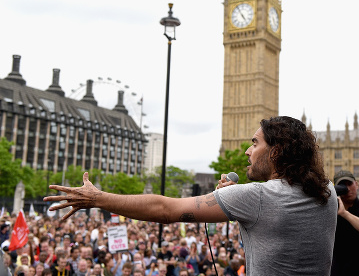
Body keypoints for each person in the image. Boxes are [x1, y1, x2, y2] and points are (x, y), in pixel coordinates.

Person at [44, 116, 338, 276]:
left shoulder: (258, 196)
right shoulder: (328, 190)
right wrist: (234, 197)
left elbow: (165, 210)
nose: (248, 151)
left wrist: (97, 199)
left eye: (254, 143)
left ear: (276, 151)